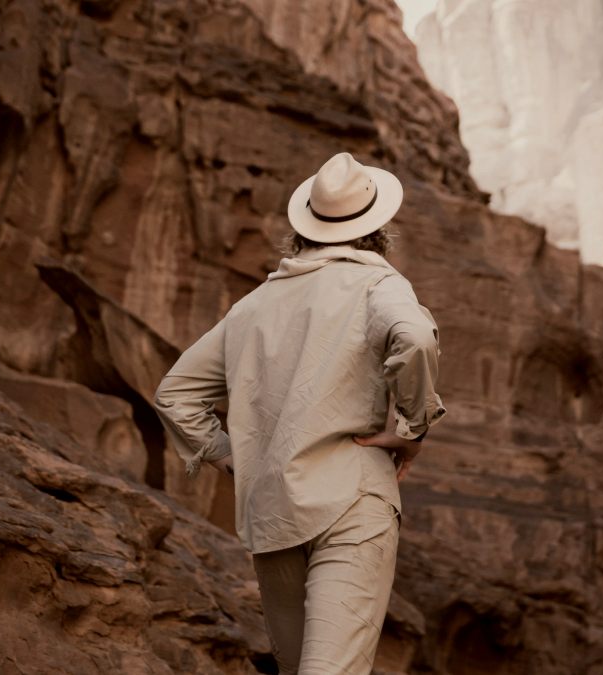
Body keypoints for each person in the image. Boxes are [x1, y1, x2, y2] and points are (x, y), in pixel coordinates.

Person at [153, 152, 446, 674]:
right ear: (377, 229)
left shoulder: (254, 305)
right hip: (354, 501)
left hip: (274, 513)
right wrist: (412, 426)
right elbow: (417, 337)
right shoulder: (380, 286)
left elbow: (175, 393)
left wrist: (231, 457)